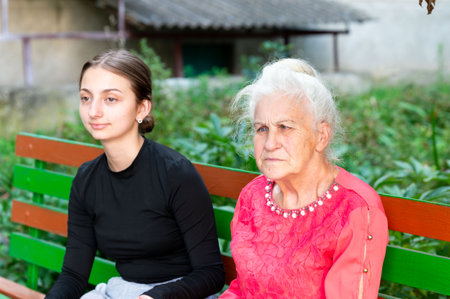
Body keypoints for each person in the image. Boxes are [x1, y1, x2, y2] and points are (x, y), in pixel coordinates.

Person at [45, 49, 225, 299]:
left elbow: (211, 274)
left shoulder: (174, 173)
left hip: (179, 293)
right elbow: (74, 276)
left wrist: (155, 297)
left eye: (110, 99)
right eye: (86, 98)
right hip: (122, 291)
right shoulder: (87, 180)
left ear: (142, 108)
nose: (94, 111)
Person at [219, 58, 388, 298]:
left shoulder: (355, 210)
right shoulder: (253, 196)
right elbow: (242, 288)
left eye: (285, 127)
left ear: (321, 136)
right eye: (262, 128)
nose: (270, 143)